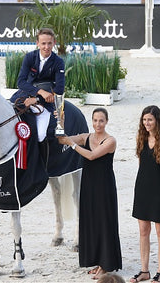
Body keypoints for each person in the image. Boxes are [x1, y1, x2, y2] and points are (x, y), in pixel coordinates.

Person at [58, 107, 122, 280]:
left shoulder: (111, 141)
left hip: (104, 186)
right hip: (89, 185)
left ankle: (106, 265)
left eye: (101, 120)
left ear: (106, 121)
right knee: (92, 221)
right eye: (95, 120)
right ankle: (96, 261)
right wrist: (61, 124)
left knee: (104, 222)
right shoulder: (86, 137)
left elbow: (92, 156)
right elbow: (64, 140)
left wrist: (72, 145)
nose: (97, 124)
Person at [130, 105, 160, 283]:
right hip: (142, 189)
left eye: (149, 119)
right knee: (143, 231)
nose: (146, 123)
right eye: (144, 120)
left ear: (157, 120)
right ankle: (144, 270)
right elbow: (142, 164)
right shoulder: (141, 138)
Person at [10, 28, 65, 158]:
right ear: (37, 43)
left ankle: (41, 166)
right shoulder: (30, 57)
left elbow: (59, 89)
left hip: (46, 102)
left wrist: (38, 99)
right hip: (24, 94)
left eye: (49, 43)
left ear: (54, 43)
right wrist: (40, 92)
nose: (46, 47)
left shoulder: (58, 62)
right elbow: (21, 82)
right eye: (43, 43)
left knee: (40, 134)